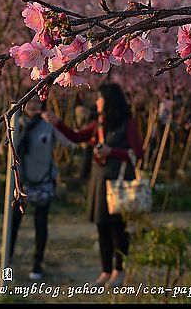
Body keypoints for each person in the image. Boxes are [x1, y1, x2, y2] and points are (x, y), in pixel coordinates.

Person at [42, 82, 144, 288]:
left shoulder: (127, 123)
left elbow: (138, 153)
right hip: (99, 180)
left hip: (118, 183)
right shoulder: (99, 123)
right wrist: (57, 123)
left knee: (118, 229)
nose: (97, 101)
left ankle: (119, 271)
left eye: (100, 97)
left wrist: (112, 152)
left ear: (109, 101)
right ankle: (106, 270)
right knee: (101, 226)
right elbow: (77, 136)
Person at [9, 93, 74, 281]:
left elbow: (69, 142)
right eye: (29, 102)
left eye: (38, 102)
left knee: (41, 225)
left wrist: (58, 122)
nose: (34, 105)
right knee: (13, 224)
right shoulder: (16, 124)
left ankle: (37, 264)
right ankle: (8, 258)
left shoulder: (48, 126)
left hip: (43, 182)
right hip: (21, 184)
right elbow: (2, 149)